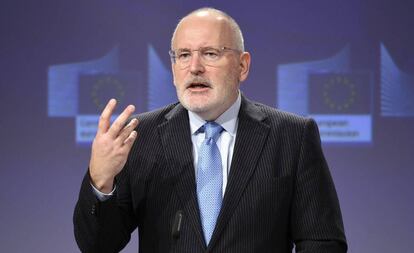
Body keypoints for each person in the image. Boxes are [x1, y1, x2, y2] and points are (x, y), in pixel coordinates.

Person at [74, 7, 347, 253]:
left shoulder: (292, 137)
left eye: (210, 54)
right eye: (183, 55)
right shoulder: (140, 137)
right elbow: (98, 246)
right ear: (173, 68)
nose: (194, 68)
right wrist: (101, 181)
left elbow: (322, 242)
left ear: (242, 66)